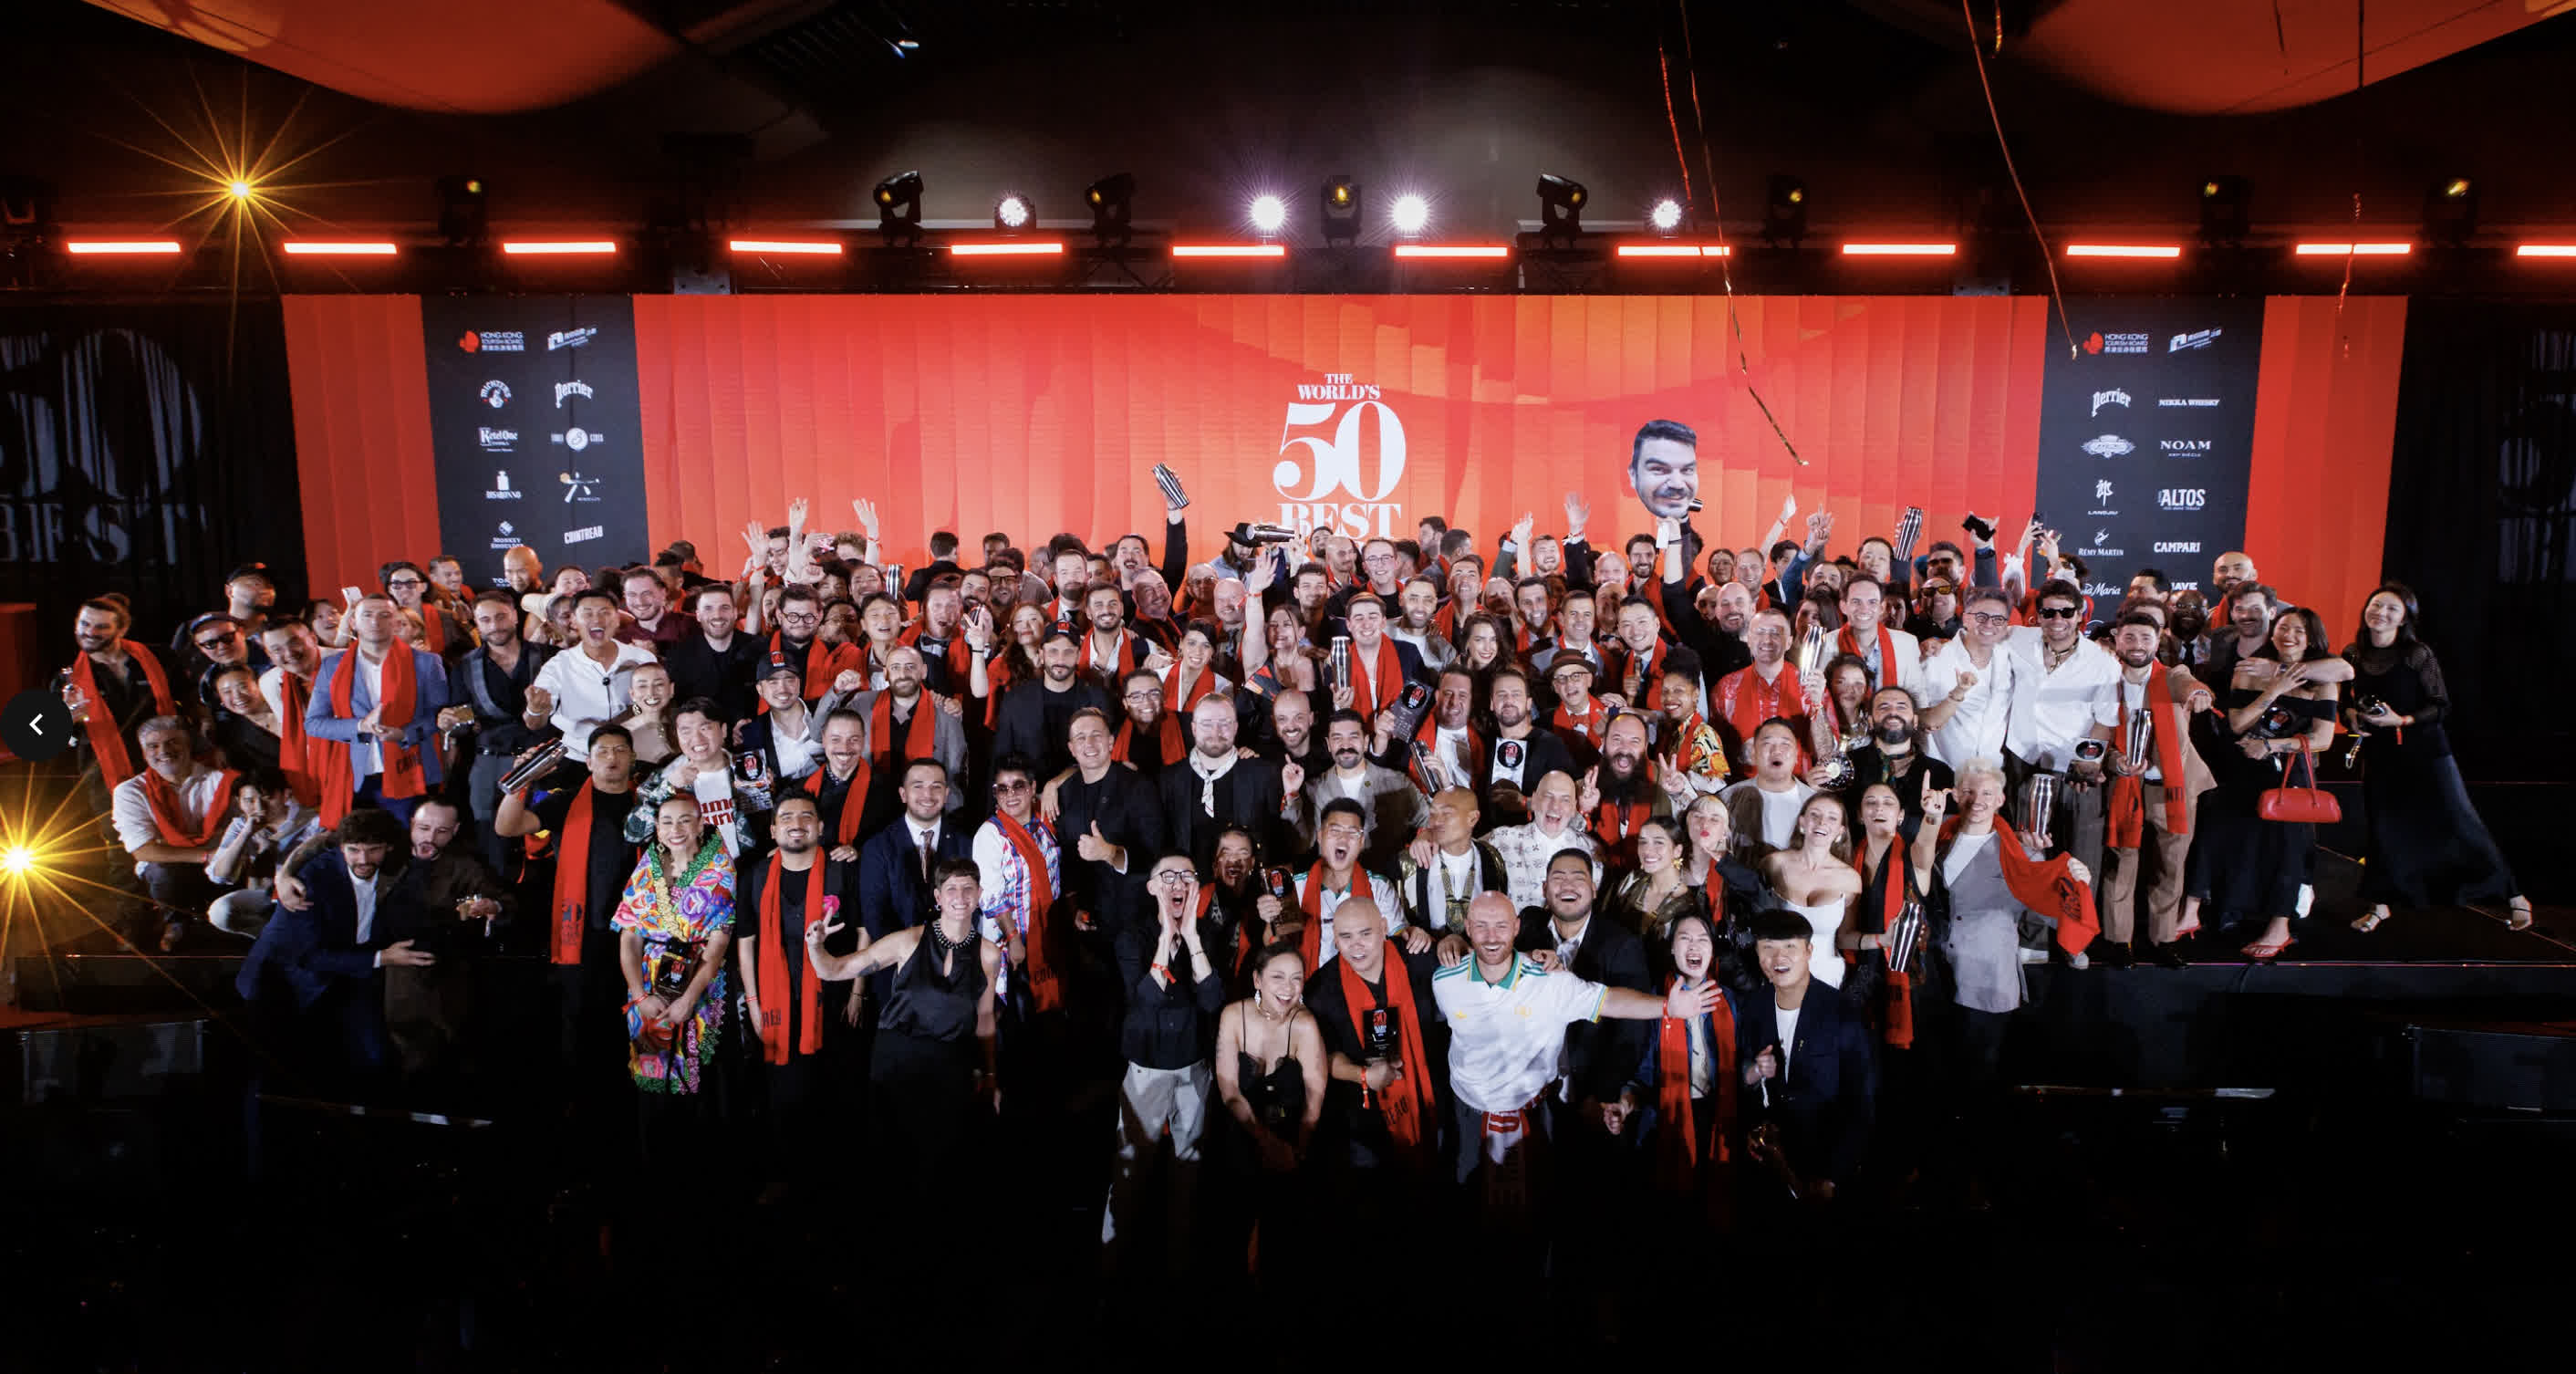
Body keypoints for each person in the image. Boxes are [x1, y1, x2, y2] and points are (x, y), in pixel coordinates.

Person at [1432, 892, 1716, 1231]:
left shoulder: (1550, 981)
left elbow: (1609, 1000)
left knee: (1542, 1210)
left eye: (1501, 926)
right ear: (1467, 928)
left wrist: (1668, 1008)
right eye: (1481, 926)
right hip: (1469, 1114)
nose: (1491, 936)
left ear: (1517, 927)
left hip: (1535, 1112)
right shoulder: (1445, 981)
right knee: (1470, 1205)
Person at [2342, 584, 2532, 933]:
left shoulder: (2417, 654)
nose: (2381, 613)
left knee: (2460, 821)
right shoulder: (2353, 653)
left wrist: (2402, 720)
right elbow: (2344, 702)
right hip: (2382, 753)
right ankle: (2380, 905)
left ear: (2404, 619)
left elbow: (2440, 705)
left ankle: (2514, 896)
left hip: (2426, 751)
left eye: (2392, 609)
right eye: (2376, 604)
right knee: (2383, 828)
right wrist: (2352, 717)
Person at [804, 857, 1002, 1185]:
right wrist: (816, 946)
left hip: (950, 1067)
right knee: (892, 1164)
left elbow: (984, 1019)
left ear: (980, 894)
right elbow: (834, 970)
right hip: (897, 1064)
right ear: (938, 897)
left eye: (968, 888)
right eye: (951, 888)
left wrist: (991, 1077)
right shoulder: (906, 941)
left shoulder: (990, 955)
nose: (960, 896)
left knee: (943, 1167)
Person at [494, 724, 641, 1128]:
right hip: (583, 929)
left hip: (639, 931)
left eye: (620, 750)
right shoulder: (565, 801)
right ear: (589, 761)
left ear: (632, 758)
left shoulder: (648, 801)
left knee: (631, 1019)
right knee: (580, 1020)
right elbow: (507, 827)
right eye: (603, 751)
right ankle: (580, 1106)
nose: (612, 758)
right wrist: (522, 782)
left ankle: (630, 1104)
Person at [1935, 758, 2097, 1099]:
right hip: (1935, 971)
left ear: (2000, 800)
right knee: (1939, 1070)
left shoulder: (2021, 852)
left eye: (1987, 793)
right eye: (1968, 791)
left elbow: (2049, 902)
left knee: (1981, 1075)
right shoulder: (1936, 837)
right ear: (1955, 795)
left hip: (1988, 974)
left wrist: (2078, 880)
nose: (1977, 800)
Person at [235, 807, 424, 1087]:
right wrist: (382, 958)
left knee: (373, 1060)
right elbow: (309, 957)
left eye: (373, 850)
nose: (363, 860)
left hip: (349, 969)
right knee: (275, 1078)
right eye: (354, 850)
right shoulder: (312, 880)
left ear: (388, 847)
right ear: (342, 848)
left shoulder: (398, 863)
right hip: (284, 981)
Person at [1101, 853, 1226, 1278]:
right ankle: (1112, 1277)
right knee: (1130, 1176)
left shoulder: (1208, 933)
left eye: (1187, 876)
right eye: (1168, 876)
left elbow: (1212, 1000)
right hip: (1146, 1071)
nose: (1179, 883)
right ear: (1152, 887)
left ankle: (1181, 1275)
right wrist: (1166, 939)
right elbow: (1145, 1001)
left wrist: (1190, 938)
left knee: (1188, 1177)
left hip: (1194, 1070)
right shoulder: (1132, 937)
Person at [2195, 607, 2341, 960]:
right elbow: (2238, 724)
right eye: (2283, 628)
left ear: (2312, 639)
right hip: (2245, 771)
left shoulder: (2324, 681)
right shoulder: (2250, 671)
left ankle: (2280, 927)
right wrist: (2275, 689)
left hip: (2291, 774)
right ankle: (2219, 910)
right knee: (2229, 836)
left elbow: (2323, 740)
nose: (2289, 636)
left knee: (2289, 849)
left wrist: (2272, 746)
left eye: (2299, 631)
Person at [733, 790, 855, 1190]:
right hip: (775, 1004)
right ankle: (786, 1181)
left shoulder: (842, 871)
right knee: (781, 1093)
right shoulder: (755, 876)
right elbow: (745, 942)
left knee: (832, 1090)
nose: (796, 824)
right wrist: (753, 1003)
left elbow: (864, 931)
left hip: (833, 1000)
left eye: (806, 816)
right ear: (772, 830)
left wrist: (858, 992)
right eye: (786, 817)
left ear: (820, 826)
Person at [613, 795, 736, 1161]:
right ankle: (654, 1165)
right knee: (651, 1078)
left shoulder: (720, 869)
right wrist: (639, 995)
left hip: (700, 985)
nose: (675, 829)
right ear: (656, 828)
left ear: (700, 824)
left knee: (700, 1081)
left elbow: (717, 947)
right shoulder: (646, 868)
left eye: (685, 821)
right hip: (649, 984)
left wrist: (688, 999)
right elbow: (629, 938)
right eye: (667, 822)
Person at [1605, 910, 1740, 1225]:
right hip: (1666, 1122)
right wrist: (1624, 1105)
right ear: (1671, 948)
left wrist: (1758, 1070)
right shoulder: (1653, 1001)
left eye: (1702, 939)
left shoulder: (1729, 1001)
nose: (1694, 946)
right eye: (1685, 938)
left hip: (1718, 1121)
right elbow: (1642, 1075)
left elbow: (1740, 1070)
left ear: (1712, 950)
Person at [2098, 613, 2218, 967]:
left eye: (2145, 638)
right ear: (2117, 639)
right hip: (2125, 784)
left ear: (2157, 641)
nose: (2137, 645)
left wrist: (2199, 694)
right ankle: (2118, 941)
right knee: (2121, 863)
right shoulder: (2104, 680)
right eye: (2129, 637)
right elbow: (2095, 734)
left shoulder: (2172, 675)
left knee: (2171, 866)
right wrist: (2115, 761)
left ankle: (2163, 940)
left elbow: (2191, 686)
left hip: (2174, 788)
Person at [1736, 911, 1876, 1203]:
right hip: (1769, 1164)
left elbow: (1861, 1102)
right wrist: (1751, 1128)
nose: (1778, 958)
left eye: (1790, 947)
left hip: (1825, 1165)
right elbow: (1744, 1077)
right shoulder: (1752, 1008)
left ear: (1809, 951)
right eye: (1768, 948)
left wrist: (1832, 1176)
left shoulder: (1842, 1013)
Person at [1211, 941, 1327, 1286]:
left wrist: (1297, 1149)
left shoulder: (1305, 1025)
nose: (1288, 988)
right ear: (1257, 980)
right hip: (1243, 1129)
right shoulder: (1233, 1016)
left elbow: (1315, 1095)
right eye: (1278, 977)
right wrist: (1264, 1141)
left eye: (1296, 978)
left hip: (1289, 1134)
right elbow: (1229, 1089)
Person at [300, 592, 452, 828]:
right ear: (353, 622)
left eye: (385, 615)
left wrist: (405, 734)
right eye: (367, 615)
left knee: (405, 841)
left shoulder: (427, 663)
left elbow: (440, 716)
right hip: (355, 774)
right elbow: (314, 723)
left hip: (412, 769)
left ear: (396, 622)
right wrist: (360, 726)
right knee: (360, 841)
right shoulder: (333, 666)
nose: (375, 622)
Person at [109, 714, 239, 949]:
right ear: (144, 753)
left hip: (222, 861)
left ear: (188, 745)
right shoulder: (129, 791)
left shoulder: (222, 780)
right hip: (177, 866)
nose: (164, 751)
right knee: (162, 870)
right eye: (153, 746)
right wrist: (205, 855)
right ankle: (175, 922)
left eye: (172, 742)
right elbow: (143, 851)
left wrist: (218, 855)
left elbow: (240, 830)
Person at [447, 590, 554, 870]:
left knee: (544, 837)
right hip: (490, 764)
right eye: (485, 620)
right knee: (490, 841)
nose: (494, 625)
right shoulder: (465, 667)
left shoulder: (548, 657)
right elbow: (462, 720)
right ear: (476, 624)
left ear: (515, 617)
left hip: (542, 763)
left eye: (501, 617)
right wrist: (453, 723)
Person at [1158, 695, 1294, 870]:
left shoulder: (1264, 774)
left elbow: (1281, 845)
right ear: (1194, 728)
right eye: (1206, 724)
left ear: (1235, 727)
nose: (1216, 733)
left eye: (1224, 723)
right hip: (1189, 884)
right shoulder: (1168, 779)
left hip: (1249, 885)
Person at [1286, 796, 1424, 972]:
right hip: (1309, 981)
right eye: (1335, 831)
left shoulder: (1378, 886)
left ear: (1361, 842)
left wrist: (1414, 935)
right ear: (1320, 836)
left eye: (1352, 833)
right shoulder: (1296, 887)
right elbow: (1276, 941)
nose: (1343, 839)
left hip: (1364, 981)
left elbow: (1399, 938)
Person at [525, 590, 660, 765]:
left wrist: (631, 713)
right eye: (587, 614)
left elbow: (653, 706)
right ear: (574, 620)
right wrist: (535, 710)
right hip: (577, 756)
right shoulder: (558, 665)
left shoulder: (642, 658)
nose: (597, 620)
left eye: (605, 613)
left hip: (634, 754)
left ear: (617, 619)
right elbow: (534, 723)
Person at [626, 697, 773, 859]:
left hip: (748, 868)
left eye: (705, 728)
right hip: (692, 872)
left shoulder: (749, 770)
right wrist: (668, 788)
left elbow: (771, 825)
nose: (697, 739)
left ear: (723, 731)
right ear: (677, 736)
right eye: (686, 731)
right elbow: (634, 835)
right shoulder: (663, 777)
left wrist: (771, 790)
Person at [1293, 709, 1422, 876]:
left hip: (1386, 881)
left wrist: (1425, 835)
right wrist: (1292, 794)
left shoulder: (1397, 783)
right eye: (1337, 738)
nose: (1345, 745)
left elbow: (1431, 818)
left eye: (1353, 737)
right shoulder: (1313, 789)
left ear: (1366, 741)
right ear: (1328, 744)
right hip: (1334, 883)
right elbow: (1298, 844)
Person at [206, 765, 323, 938]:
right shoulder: (240, 825)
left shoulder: (311, 821)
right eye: (249, 801)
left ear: (286, 794)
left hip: (300, 891)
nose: (260, 807)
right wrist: (246, 834)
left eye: (268, 798)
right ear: (238, 802)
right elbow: (220, 876)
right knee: (220, 912)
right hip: (263, 894)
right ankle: (272, 938)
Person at [992, 628, 1110, 782]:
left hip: (1086, 791)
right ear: (1042, 655)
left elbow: (1106, 758)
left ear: (1078, 656)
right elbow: (1001, 759)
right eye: (1053, 651)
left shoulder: (1098, 698)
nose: (1060, 660)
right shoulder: (1015, 700)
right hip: (1031, 793)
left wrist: (1057, 783)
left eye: (1068, 652)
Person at [1395, 786, 1509, 936]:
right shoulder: (1409, 861)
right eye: (1432, 814)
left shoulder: (1491, 857)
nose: (1436, 822)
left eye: (1447, 813)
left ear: (1472, 819)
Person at [1487, 770, 1597, 912]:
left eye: (1565, 799)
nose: (1555, 806)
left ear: (1573, 808)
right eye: (1548, 796)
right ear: (1533, 801)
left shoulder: (1592, 852)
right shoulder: (1501, 839)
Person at [1712, 608, 1807, 768]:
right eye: (1759, 632)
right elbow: (1714, 750)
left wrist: (1818, 706)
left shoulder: (1808, 686)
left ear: (1789, 642)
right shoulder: (1726, 688)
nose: (1767, 640)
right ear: (1748, 640)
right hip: (1743, 781)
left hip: (1798, 781)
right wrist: (1741, 753)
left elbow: (1826, 751)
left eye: (1775, 633)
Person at [664, 583, 763, 725]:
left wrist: (751, 727)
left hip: (752, 731)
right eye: (708, 608)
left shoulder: (759, 649)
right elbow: (677, 707)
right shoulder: (679, 656)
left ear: (735, 613)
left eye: (724, 608)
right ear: (698, 615)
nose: (717, 615)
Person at [1720, 719, 1818, 860]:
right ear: (1753, 754)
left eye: (1785, 744)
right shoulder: (1727, 799)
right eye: (1767, 744)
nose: (1776, 750)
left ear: (1797, 755)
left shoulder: (1814, 803)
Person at [1605, 816, 1697, 942]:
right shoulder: (1631, 881)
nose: (1647, 850)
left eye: (1658, 842)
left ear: (1677, 851)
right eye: (1643, 842)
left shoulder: (1688, 907)